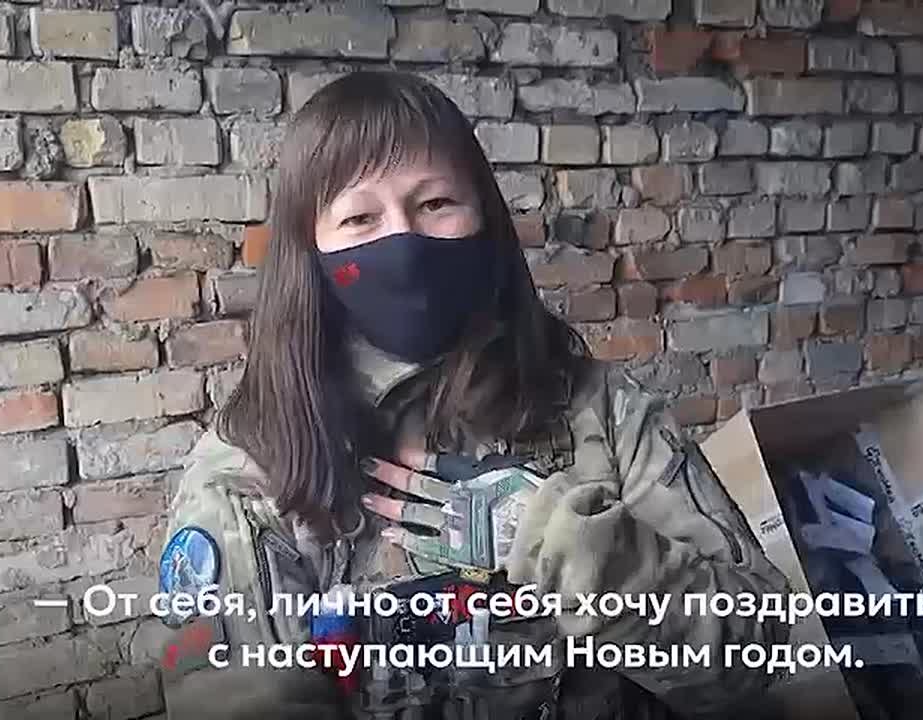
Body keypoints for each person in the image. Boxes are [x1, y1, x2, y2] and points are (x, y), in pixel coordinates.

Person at [158, 70, 791, 720]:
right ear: (310, 252)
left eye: (436, 203)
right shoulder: (254, 459)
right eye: (359, 217)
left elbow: (757, 654)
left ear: (485, 218)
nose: (403, 243)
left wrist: (585, 554)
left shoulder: (602, 409)